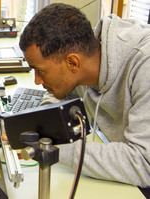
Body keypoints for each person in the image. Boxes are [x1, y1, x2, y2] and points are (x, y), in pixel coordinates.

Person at [19, 3, 150, 187]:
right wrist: (42, 123)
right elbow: (61, 96)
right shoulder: (87, 53)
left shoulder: (144, 65)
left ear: (73, 63)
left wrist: (51, 146)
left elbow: (144, 163)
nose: (37, 81)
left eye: (41, 71)